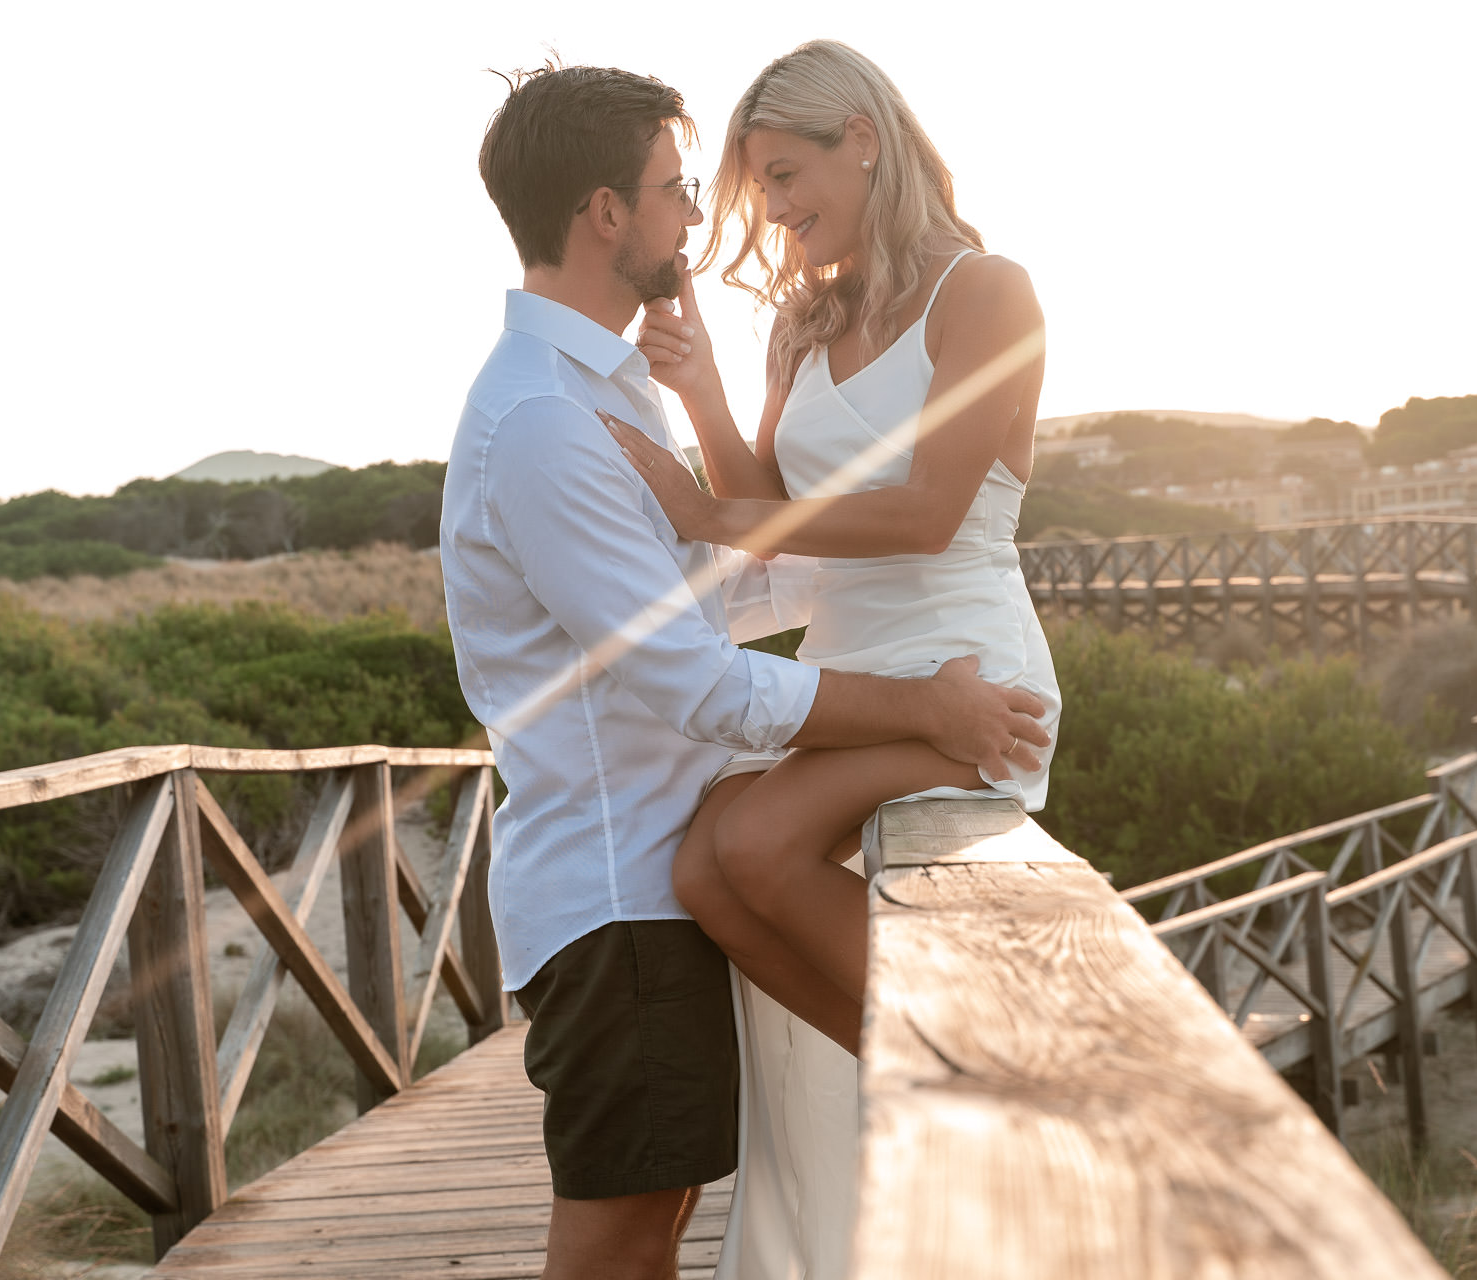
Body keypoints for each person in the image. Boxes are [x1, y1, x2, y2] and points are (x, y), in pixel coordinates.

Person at [440, 63, 1049, 1280]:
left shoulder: (597, 390)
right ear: (607, 213)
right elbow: (702, 665)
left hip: (711, 813)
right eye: (684, 188)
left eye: (773, 179)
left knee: (647, 1217)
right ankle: (976, 1083)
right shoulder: (550, 418)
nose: (725, 215)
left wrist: (715, 476)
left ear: (864, 144)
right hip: (618, 875)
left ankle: (983, 1085)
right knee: (623, 1230)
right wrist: (731, 511)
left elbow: (752, 556)